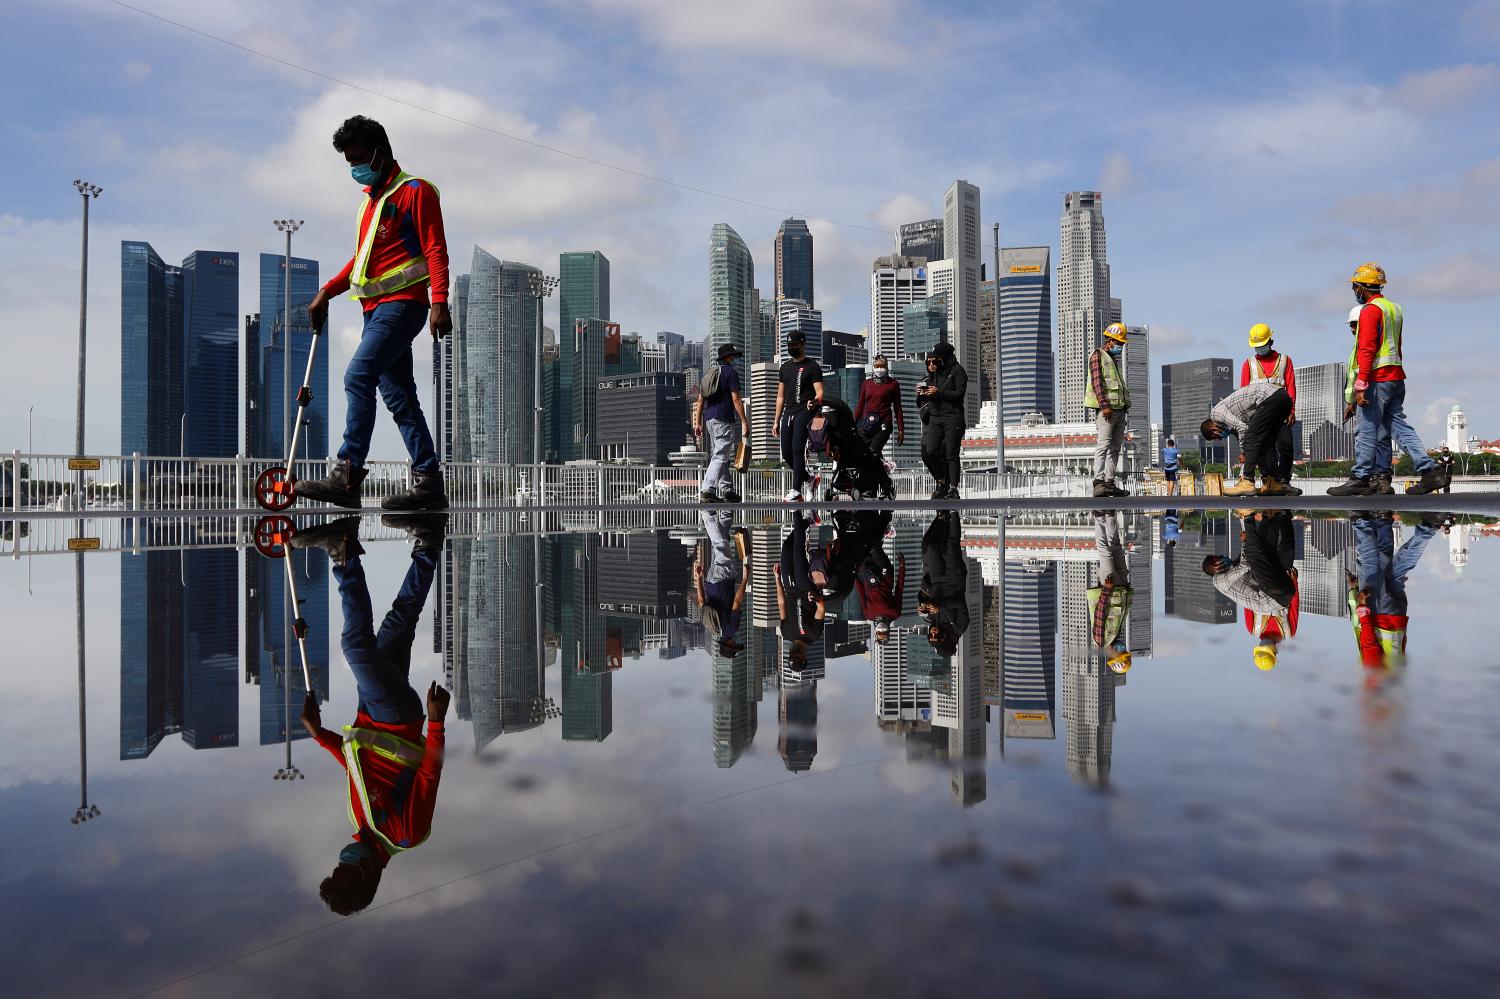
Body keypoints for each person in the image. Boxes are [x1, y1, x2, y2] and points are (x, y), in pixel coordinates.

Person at [292, 513, 449, 915]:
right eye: (345, 870)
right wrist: (436, 722)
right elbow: (429, 775)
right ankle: (343, 552)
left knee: (400, 622)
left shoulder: (361, 824)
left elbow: (355, 764)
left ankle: (428, 545)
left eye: (335, 866)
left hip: (370, 714)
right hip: (397, 717)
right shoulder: (405, 833)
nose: (341, 859)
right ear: (367, 874)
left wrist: (318, 733)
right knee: (355, 648)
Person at [300, 115, 452, 511]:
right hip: (374, 311)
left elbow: (435, 248)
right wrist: (326, 292)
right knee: (399, 396)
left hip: (405, 306)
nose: (354, 168)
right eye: (349, 161)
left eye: (359, 158)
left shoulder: (415, 192)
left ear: (381, 152)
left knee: (358, 375)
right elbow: (361, 261)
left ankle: (347, 474)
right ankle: (428, 479)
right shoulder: (370, 202)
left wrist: (440, 302)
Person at [1328, 263, 1447, 497]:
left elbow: (1367, 347)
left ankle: (1360, 477)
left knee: (1366, 429)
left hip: (1377, 379)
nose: (1354, 292)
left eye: (1355, 287)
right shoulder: (1394, 308)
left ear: (1361, 287)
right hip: (1395, 377)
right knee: (1399, 427)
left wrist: (1361, 385)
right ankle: (1431, 470)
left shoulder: (1370, 311)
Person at [1201, 512, 1298, 671]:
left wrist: (1247, 544)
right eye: (1266, 648)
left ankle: (1269, 515)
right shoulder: (1287, 632)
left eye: (1261, 647)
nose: (1263, 644)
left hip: (1265, 580)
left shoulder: (1253, 628)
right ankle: (1266, 516)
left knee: (1269, 547)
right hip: (1277, 588)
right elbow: (1294, 608)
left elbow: (1247, 602)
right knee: (1285, 548)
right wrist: (1295, 583)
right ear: (1275, 651)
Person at [1346, 511, 1442, 670]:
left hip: (1397, 617)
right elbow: (1369, 646)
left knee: (1396, 570)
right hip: (1377, 615)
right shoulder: (1374, 680)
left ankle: (1428, 527)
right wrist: (1363, 609)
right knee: (1369, 566)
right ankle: (1361, 521)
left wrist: (1354, 590)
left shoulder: (1395, 677)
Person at [1200, 380, 1295, 496]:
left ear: (1213, 430)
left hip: (1269, 398)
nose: (1220, 439)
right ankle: (1273, 482)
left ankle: (1247, 482)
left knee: (1252, 439)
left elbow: (1243, 430)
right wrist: (1244, 451)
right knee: (1266, 443)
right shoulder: (1229, 422)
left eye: (1215, 437)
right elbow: (1242, 434)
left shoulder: (1215, 414)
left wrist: (1244, 452)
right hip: (1284, 399)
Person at [1242, 323, 1302, 496]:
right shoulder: (1249, 364)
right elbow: (1244, 392)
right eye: (1257, 346)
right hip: (1259, 415)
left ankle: (1284, 481)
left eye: (1262, 345)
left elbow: (1290, 386)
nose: (1259, 349)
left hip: (1281, 412)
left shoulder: (1284, 360)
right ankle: (1269, 480)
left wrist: (1291, 410)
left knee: (1286, 446)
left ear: (1271, 341)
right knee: (1263, 448)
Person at [772, 330, 825, 502]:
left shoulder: (812, 366)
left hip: (805, 410)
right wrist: (776, 421)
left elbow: (820, 392)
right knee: (786, 452)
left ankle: (796, 490)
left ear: (803, 344)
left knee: (797, 448)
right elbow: (780, 395)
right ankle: (809, 479)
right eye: (790, 345)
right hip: (788, 411)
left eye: (795, 345)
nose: (792, 348)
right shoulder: (785, 367)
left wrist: (814, 403)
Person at [694, 342, 750, 503]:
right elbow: (736, 400)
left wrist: (698, 422)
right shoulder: (730, 372)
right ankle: (707, 490)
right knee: (720, 455)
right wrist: (744, 422)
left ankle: (727, 490)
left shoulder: (709, 373)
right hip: (724, 419)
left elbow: (700, 400)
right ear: (728, 356)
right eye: (733, 355)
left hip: (709, 419)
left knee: (721, 454)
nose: (734, 358)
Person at [1085, 322, 1131, 498]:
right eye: (1119, 343)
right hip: (1107, 410)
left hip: (1120, 410)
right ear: (1110, 340)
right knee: (1103, 445)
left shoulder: (1112, 359)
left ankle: (1110, 483)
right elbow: (1097, 383)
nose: (1121, 346)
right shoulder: (1098, 355)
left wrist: (1125, 407)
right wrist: (1104, 406)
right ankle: (1099, 482)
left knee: (1115, 448)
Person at [917, 341, 968, 500]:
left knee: (951, 454)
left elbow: (959, 394)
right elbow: (930, 390)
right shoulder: (936, 372)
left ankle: (953, 487)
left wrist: (939, 392)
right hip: (936, 417)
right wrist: (923, 392)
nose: (936, 362)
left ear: (946, 356)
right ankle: (941, 481)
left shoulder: (958, 371)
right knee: (930, 450)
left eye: (938, 358)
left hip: (953, 417)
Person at [695, 510, 748, 655]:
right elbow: (701, 602)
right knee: (723, 542)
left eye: (735, 645)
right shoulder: (712, 628)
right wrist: (698, 578)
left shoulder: (731, 629)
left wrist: (745, 579)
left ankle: (707, 514)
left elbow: (737, 601)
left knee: (721, 544)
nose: (736, 643)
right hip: (711, 582)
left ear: (730, 644)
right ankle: (726, 511)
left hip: (724, 580)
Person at [918, 510, 970, 658]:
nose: (933, 633)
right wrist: (940, 607)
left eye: (930, 636)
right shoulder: (960, 627)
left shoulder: (934, 622)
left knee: (932, 548)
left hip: (937, 581)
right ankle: (953, 511)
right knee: (952, 545)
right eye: (937, 637)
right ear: (945, 639)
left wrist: (923, 605)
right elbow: (960, 604)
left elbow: (928, 600)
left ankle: (943, 515)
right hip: (955, 579)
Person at [1087, 511, 1133, 674]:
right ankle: (1111, 516)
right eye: (1124, 651)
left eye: (1121, 653)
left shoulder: (1101, 640)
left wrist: (1106, 590)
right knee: (1116, 545)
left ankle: (1099, 518)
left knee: (1104, 550)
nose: (1122, 649)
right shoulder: (1116, 636)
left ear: (1112, 656)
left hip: (1110, 586)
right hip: (1121, 586)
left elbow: (1100, 612)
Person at [854, 354, 905, 466]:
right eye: (877, 366)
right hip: (867, 424)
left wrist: (901, 430)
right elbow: (860, 405)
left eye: (882, 366)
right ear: (873, 366)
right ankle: (883, 478)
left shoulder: (893, 384)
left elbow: (898, 408)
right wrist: (853, 424)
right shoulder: (866, 383)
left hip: (884, 424)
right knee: (863, 452)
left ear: (886, 367)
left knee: (873, 451)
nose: (879, 368)